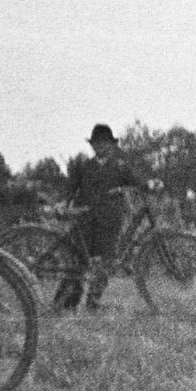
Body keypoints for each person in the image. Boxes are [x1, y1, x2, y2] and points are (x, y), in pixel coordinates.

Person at [57, 124, 138, 310]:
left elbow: (137, 181)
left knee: (106, 262)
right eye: (97, 143)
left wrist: (150, 183)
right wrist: (63, 202)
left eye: (105, 143)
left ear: (111, 145)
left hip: (109, 222)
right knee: (77, 263)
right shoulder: (84, 166)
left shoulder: (120, 167)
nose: (101, 146)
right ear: (92, 146)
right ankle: (66, 303)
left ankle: (93, 302)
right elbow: (71, 187)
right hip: (85, 220)